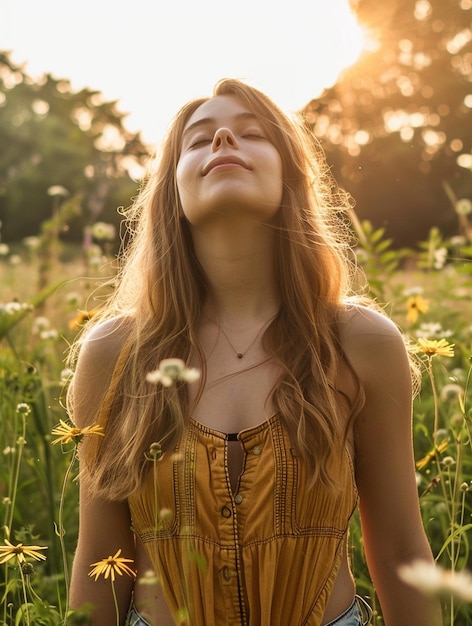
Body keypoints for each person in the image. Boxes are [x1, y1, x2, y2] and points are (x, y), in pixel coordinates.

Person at [67, 78, 442, 626]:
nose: (222, 139)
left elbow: (401, 551)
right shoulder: (114, 351)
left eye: (251, 133)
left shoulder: (362, 341)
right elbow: (103, 557)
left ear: (291, 176)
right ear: (171, 190)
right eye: (198, 140)